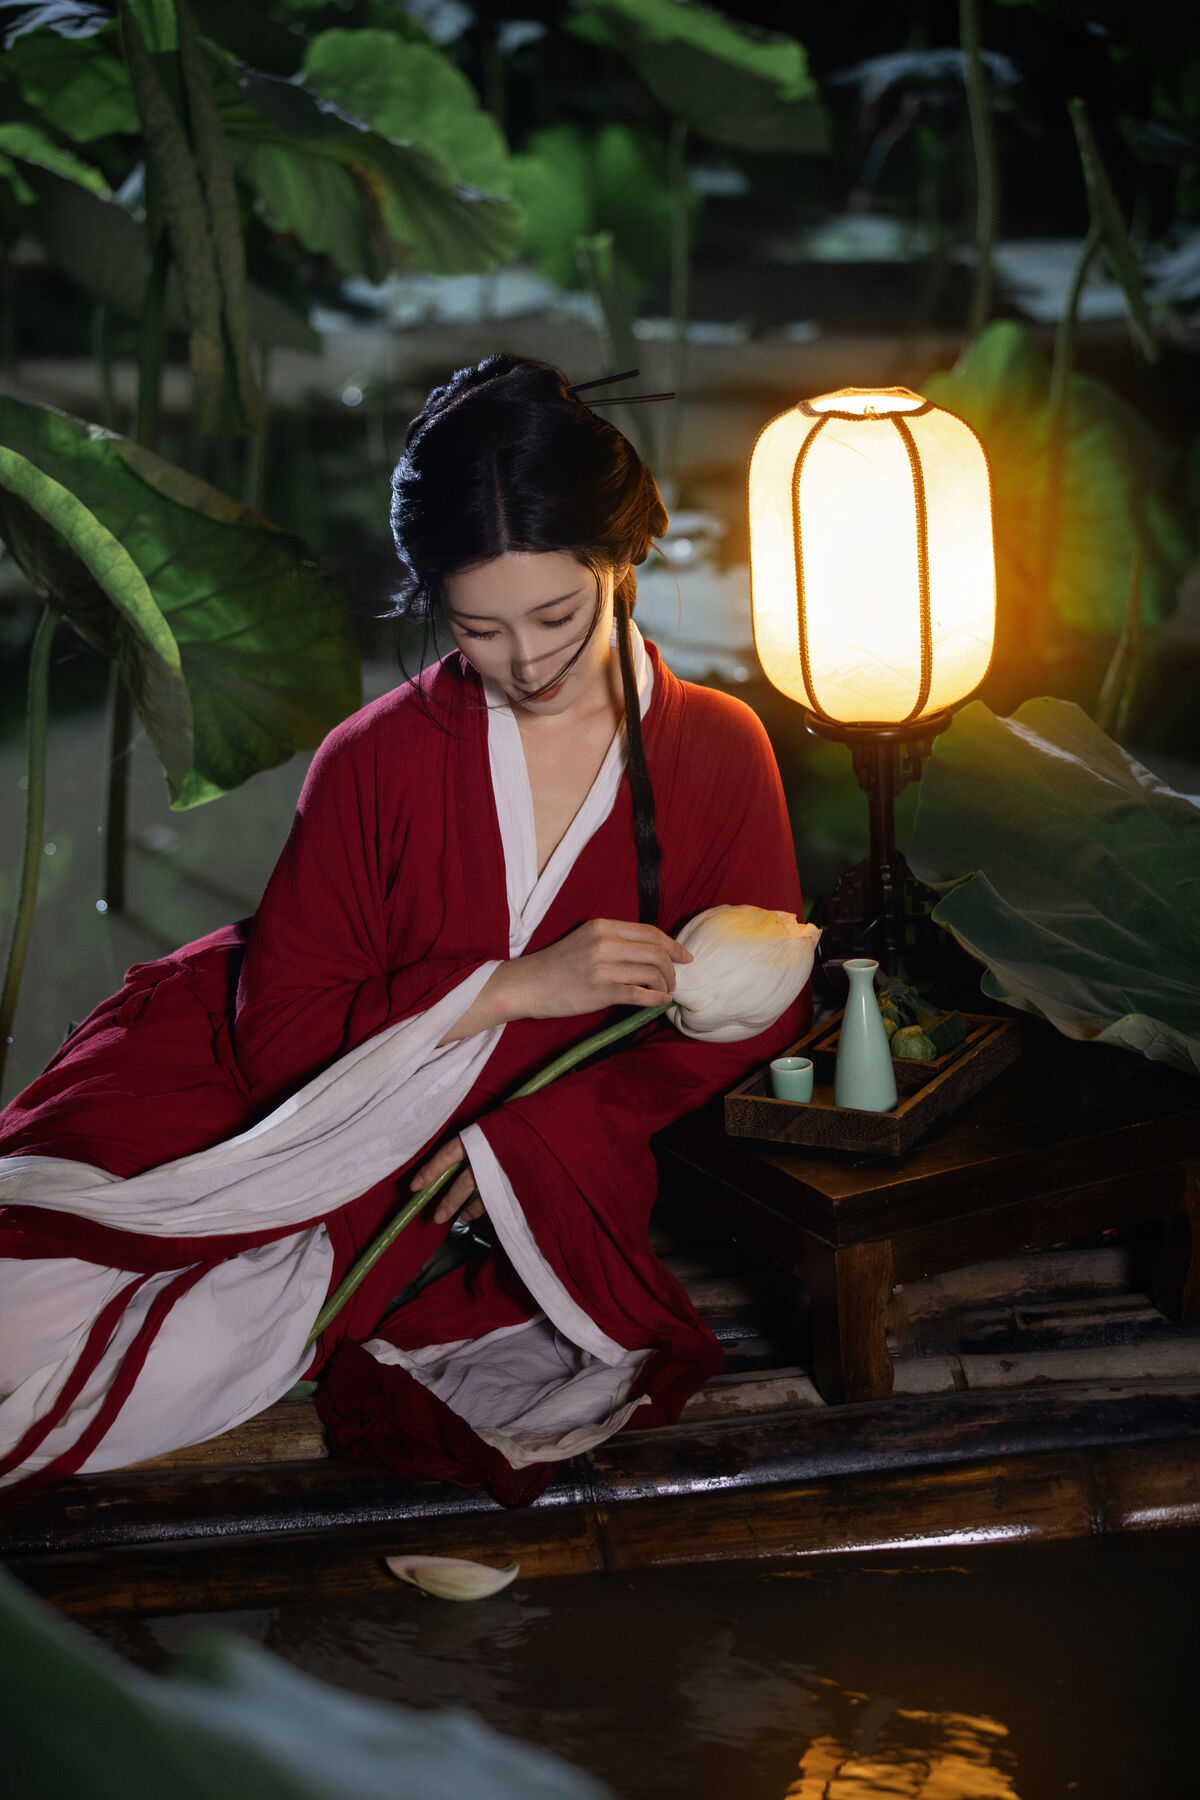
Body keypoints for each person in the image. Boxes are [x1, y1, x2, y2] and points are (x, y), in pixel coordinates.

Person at [0, 355, 810, 1505]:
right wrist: (514, 987)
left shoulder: (718, 748)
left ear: (623, 558)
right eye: (479, 629)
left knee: (189, 1361)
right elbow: (281, 1034)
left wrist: (525, 1146)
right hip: (241, 1090)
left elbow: (744, 1018)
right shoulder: (371, 757)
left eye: (558, 615)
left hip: (456, 1168)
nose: (527, 661)